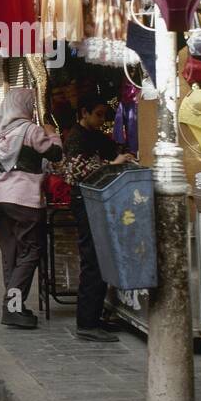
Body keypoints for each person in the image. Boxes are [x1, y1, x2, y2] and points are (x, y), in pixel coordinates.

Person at [0, 89, 63, 329]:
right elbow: (56, 155)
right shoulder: (30, 130)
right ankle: (12, 306)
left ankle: (15, 306)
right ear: (25, 106)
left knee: (11, 253)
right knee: (31, 250)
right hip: (25, 201)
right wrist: (54, 135)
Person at [61, 97, 135, 342]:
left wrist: (124, 156)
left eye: (105, 116)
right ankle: (87, 323)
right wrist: (113, 164)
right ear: (85, 112)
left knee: (100, 258)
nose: (102, 120)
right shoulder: (76, 137)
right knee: (92, 259)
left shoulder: (94, 135)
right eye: (99, 114)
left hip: (97, 202)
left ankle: (94, 317)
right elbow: (75, 173)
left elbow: (115, 149)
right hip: (85, 202)